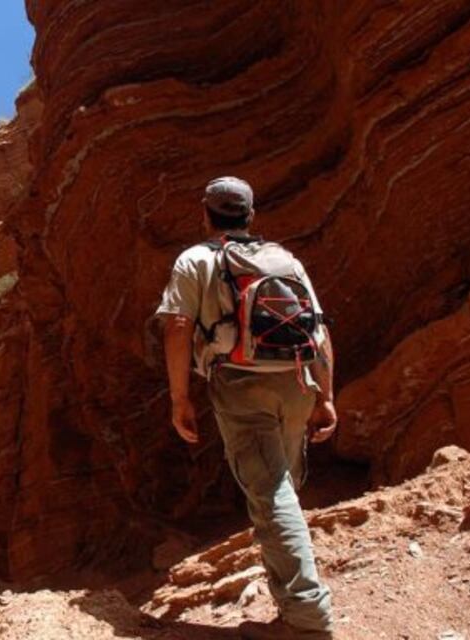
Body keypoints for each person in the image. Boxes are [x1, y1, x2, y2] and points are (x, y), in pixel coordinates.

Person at [154, 177, 337, 640]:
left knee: (271, 493)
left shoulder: (196, 260)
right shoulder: (284, 259)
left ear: (206, 213)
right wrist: (326, 395)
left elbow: (177, 325)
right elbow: (319, 330)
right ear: (251, 216)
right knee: (284, 488)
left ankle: (307, 621)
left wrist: (180, 398)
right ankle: (291, 607)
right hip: (297, 379)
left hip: (240, 383)